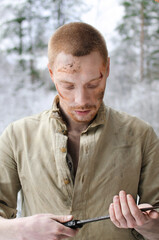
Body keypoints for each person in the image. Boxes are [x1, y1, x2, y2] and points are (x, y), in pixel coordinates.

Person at [0, 22, 159, 240]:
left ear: (107, 69)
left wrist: (148, 224)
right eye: (68, 85)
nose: (81, 100)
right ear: (51, 74)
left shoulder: (142, 136)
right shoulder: (16, 136)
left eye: (93, 84)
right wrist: (21, 229)